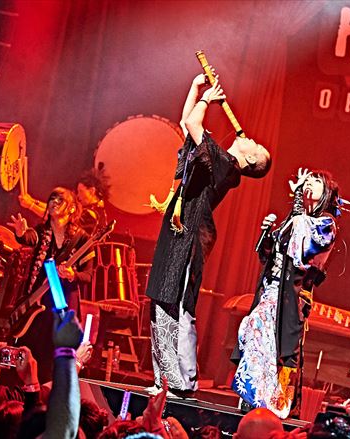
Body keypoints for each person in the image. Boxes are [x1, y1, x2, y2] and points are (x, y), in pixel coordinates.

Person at [145, 73, 271, 397]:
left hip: (192, 234)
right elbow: (186, 122)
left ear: (250, 159)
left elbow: (193, 122)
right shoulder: (214, 155)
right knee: (161, 301)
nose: (250, 138)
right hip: (178, 228)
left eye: (256, 146)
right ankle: (163, 380)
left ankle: (184, 381)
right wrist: (195, 87)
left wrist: (206, 100)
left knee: (179, 303)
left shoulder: (227, 166)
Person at [231, 169, 342, 419]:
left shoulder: (325, 224)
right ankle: (252, 398)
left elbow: (302, 254)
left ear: (326, 193)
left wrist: (297, 205)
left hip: (292, 298)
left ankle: (278, 404)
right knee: (257, 338)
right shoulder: (296, 219)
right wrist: (268, 233)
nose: (309, 183)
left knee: (283, 350)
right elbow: (269, 256)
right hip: (270, 292)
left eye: (316, 181)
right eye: (307, 179)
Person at [7, 187, 93, 383]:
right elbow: (28, 237)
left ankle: (46, 393)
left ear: (72, 208)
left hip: (64, 305)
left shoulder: (82, 239)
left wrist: (72, 275)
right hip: (37, 303)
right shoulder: (41, 231)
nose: (53, 201)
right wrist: (20, 233)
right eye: (52, 198)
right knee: (28, 349)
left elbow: (88, 275)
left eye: (60, 199)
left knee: (54, 357)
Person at [18, 165, 110, 235]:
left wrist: (30, 206)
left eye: (81, 191)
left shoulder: (91, 215)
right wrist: (33, 201)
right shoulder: (94, 210)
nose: (78, 196)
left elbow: (57, 218)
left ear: (92, 191)